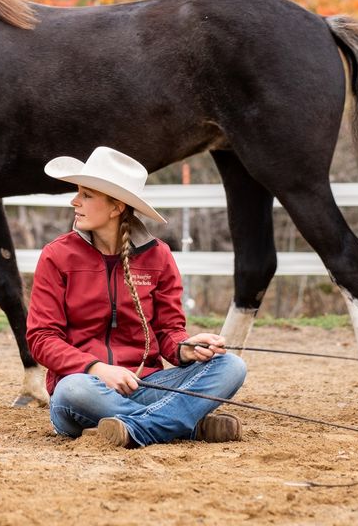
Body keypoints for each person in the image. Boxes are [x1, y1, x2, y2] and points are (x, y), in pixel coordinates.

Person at [26, 146, 247, 448]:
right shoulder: (57, 256)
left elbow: (169, 332)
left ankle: (134, 428)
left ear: (116, 207)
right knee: (73, 390)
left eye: (86, 195)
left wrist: (186, 349)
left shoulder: (159, 257)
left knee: (231, 366)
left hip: (145, 383)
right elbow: (41, 338)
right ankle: (184, 428)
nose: (74, 201)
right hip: (85, 388)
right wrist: (97, 369)